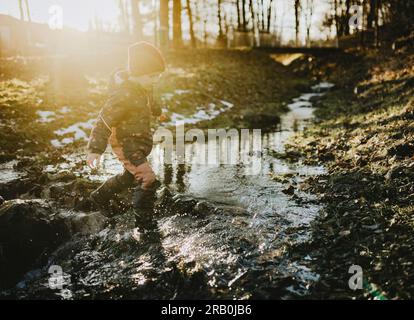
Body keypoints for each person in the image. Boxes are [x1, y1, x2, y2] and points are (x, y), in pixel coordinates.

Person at [86, 41, 167, 231]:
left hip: (139, 140)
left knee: (129, 177)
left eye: (159, 76)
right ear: (137, 74)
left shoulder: (145, 87)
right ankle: (144, 226)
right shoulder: (123, 95)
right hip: (126, 143)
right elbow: (104, 120)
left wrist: (158, 111)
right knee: (147, 179)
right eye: (152, 76)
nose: (155, 80)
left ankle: (99, 196)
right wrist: (95, 150)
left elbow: (151, 100)